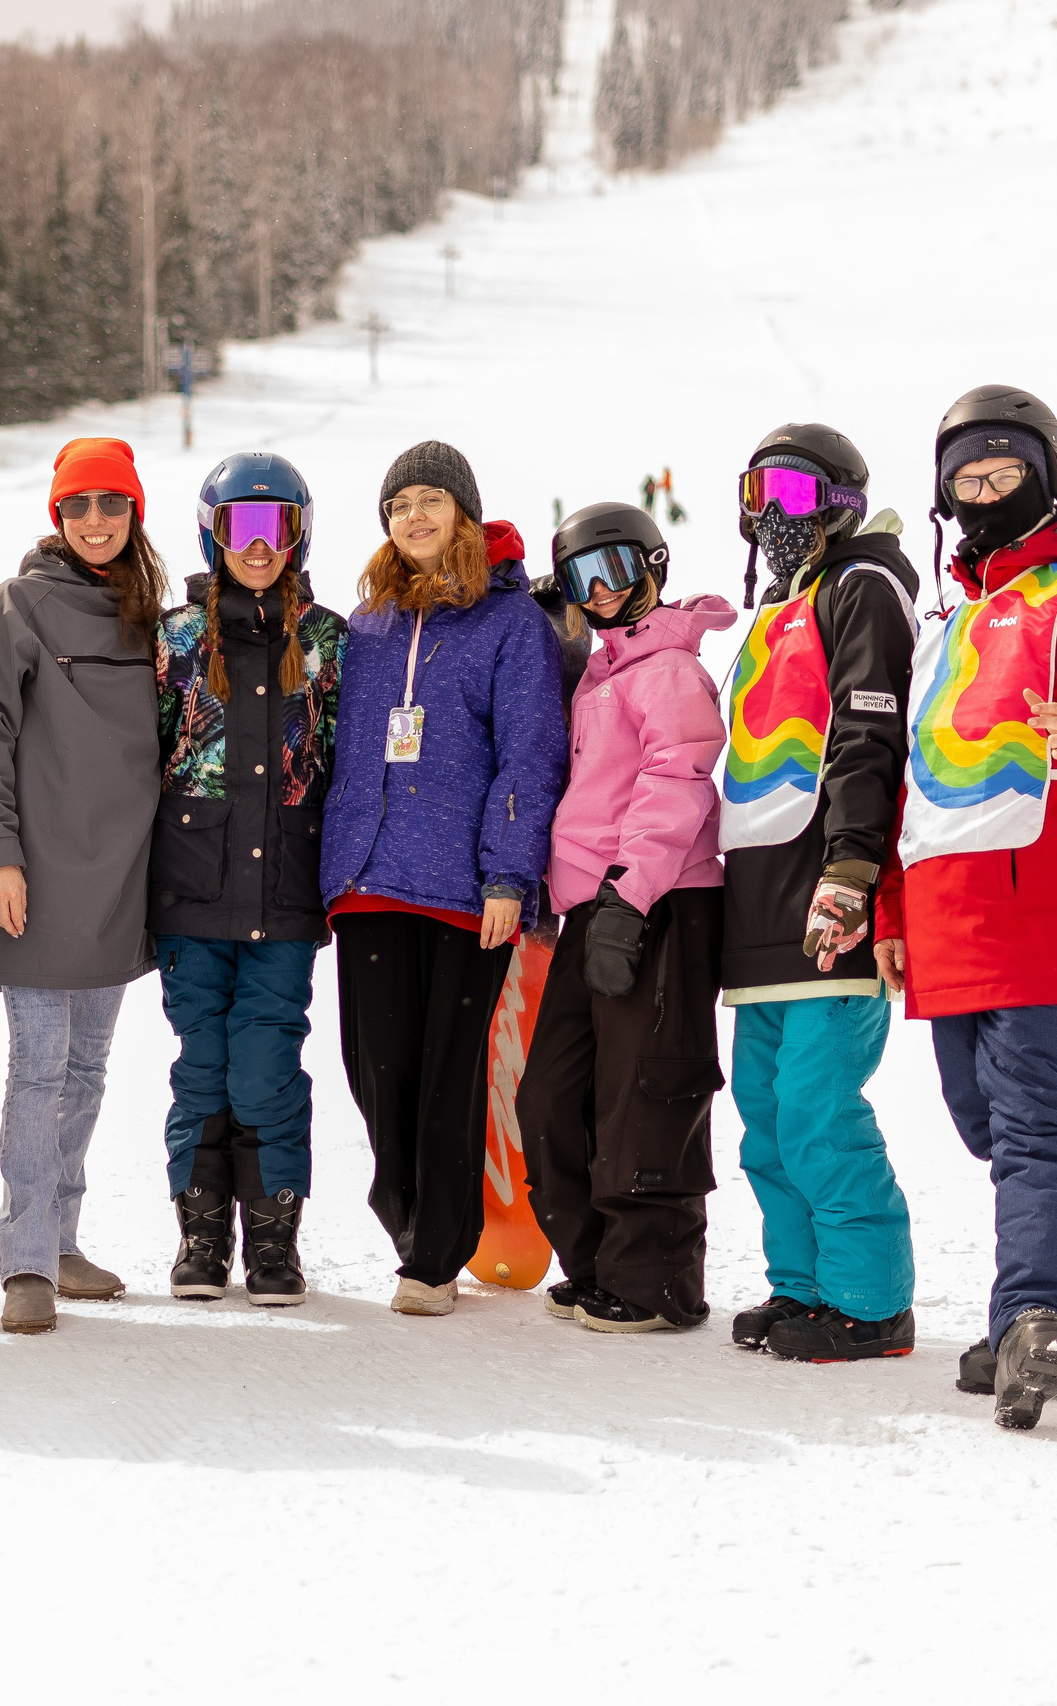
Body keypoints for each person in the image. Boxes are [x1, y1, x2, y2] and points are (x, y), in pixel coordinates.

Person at [875, 385, 1057, 1430]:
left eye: (1005, 476)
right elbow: (916, 775)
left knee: (1037, 1117)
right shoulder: (948, 618)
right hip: (949, 906)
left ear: (1045, 480)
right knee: (990, 1119)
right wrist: (896, 917)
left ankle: (1036, 1315)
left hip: (1042, 902)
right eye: (968, 479)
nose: (985, 493)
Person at [320, 440, 567, 1317]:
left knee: (448, 1073)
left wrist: (510, 875)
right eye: (398, 505)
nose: (414, 517)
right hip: (370, 878)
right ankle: (408, 1214)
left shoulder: (512, 625)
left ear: (463, 511)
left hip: (467, 887)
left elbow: (530, 756)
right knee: (373, 1068)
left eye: (430, 500)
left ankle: (435, 1252)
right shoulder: (371, 624)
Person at [716, 425, 925, 1364]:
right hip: (759, 900)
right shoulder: (776, 608)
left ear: (839, 502)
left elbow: (865, 740)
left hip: (824, 894)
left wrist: (850, 872)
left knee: (816, 1106)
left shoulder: (861, 588)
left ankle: (871, 1303)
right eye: (759, 493)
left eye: (794, 495)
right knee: (766, 1113)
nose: (773, 515)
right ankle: (802, 1283)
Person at [0, 438, 164, 1333]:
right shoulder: (19, 606)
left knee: (88, 1069)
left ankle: (64, 1239)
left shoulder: (154, 617)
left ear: (134, 516)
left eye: (110, 506)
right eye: (78, 507)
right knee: (38, 1070)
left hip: (124, 875)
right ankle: (25, 1263)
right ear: (55, 516)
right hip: (38, 876)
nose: (94, 522)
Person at [517, 503, 734, 1333]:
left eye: (614, 568)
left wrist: (628, 896)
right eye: (581, 579)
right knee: (553, 1096)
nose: (601, 592)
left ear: (654, 563)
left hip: (662, 900)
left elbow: (675, 781)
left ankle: (656, 1280)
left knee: (644, 1092)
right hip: (596, 907)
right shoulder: (603, 672)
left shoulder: (672, 671)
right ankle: (598, 1260)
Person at [152, 453, 347, 1306]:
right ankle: (201, 1234)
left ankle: (272, 1236)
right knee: (202, 1062)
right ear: (213, 532)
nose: (260, 546)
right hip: (193, 891)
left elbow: (344, 755)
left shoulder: (328, 639)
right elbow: (145, 755)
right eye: (242, 528)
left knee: (267, 1062)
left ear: (299, 535)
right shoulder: (177, 639)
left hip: (286, 892)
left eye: (277, 528)